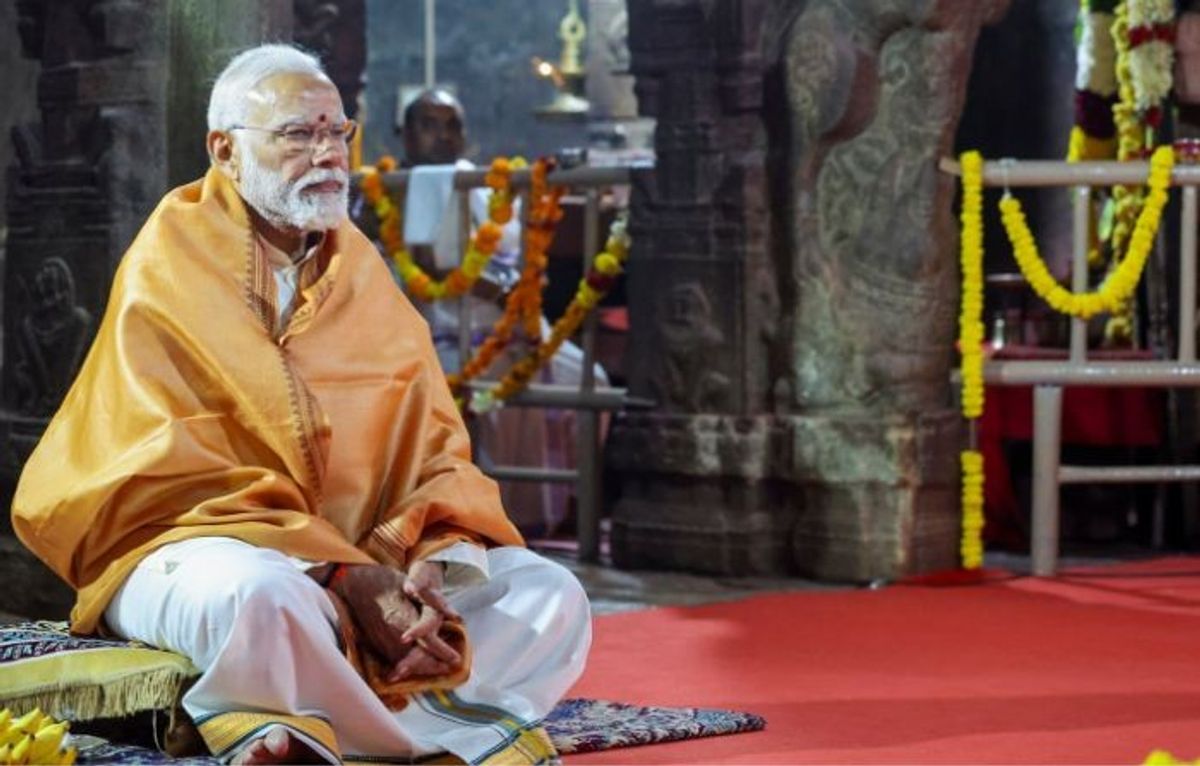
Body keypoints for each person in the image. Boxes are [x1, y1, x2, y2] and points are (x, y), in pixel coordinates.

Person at [11, 44, 591, 765]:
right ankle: (433, 733)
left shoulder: (359, 268)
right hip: (190, 551)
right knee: (260, 597)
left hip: (362, 561)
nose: (326, 154)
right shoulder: (170, 261)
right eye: (296, 134)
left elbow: (434, 450)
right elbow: (167, 474)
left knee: (549, 594)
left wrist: (433, 561)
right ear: (224, 150)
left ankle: (309, 729)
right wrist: (337, 571)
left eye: (336, 133)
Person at [396, 88, 609, 536]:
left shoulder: (482, 183)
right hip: (447, 336)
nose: (443, 136)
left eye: (453, 125)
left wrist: (523, 291)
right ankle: (498, 519)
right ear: (405, 136)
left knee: (591, 380)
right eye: (429, 125)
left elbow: (511, 254)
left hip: (515, 329)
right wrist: (502, 294)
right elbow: (433, 264)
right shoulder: (391, 189)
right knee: (476, 396)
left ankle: (568, 508)